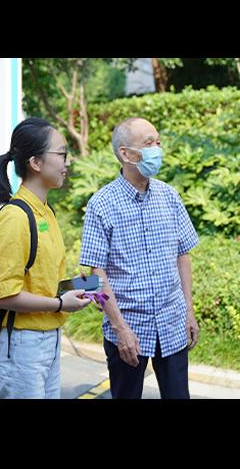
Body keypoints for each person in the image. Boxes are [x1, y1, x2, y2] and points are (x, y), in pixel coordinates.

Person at [79, 117, 200, 399]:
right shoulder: (102, 204)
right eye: (148, 143)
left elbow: (183, 257)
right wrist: (120, 328)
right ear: (125, 154)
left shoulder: (170, 196)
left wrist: (189, 311)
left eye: (157, 142)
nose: (157, 149)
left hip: (172, 324)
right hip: (127, 328)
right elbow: (95, 276)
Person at [0, 118, 91, 399]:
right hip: (21, 346)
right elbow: (2, 294)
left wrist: (74, 289)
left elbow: (40, 279)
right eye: (61, 154)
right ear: (35, 162)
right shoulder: (14, 218)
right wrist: (60, 303)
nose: (66, 163)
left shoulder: (46, 212)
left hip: (48, 340)